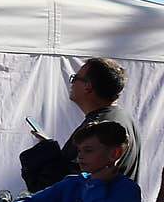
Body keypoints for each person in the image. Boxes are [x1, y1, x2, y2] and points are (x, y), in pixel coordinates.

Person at [30, 58, 143, 193]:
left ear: (88, 87)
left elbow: (66, 182)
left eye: (75, 78)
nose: (72, 83)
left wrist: (48, 151)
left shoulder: (98, 126)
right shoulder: (124, 118)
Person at [9, 122, 142, 202]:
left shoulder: (128, 190)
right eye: (79, 150)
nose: (80, 156)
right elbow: (29, 201)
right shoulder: (72, 183)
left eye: (88, 150)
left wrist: (96, 183)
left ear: (115, 154)